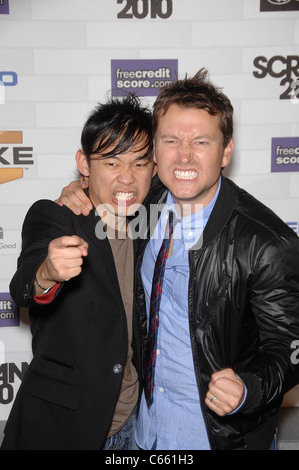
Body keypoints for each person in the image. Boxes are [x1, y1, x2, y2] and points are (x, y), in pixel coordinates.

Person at [33, 70, 299, 450]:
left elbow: (290, 348)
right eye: (171, 140)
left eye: (201, 142)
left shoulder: (267, 242)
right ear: (155, 152)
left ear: (226, 151)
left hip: (218, 437)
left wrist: (249, 387)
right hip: (146, 431)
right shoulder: (148, 201)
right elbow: (113, 176)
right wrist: (80, 187)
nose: (185, 155)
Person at [1, 95, 156, 450]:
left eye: (139, 163)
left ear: (155, 167)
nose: (127, 178)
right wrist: (47, 273)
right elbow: (24, 284)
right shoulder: (55, 216)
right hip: (63, 427)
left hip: (135, 425)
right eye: (112, 163)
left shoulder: (153, 224)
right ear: (84, 164)